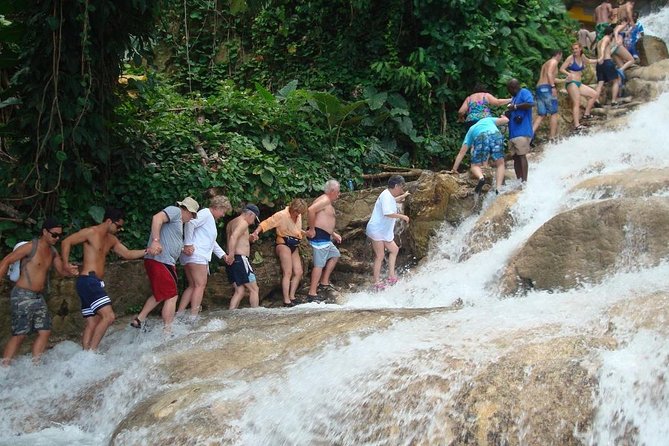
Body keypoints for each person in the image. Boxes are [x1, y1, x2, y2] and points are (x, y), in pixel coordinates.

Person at [61, 209, 146, 350]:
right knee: (109, 316)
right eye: (118, 226)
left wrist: (148, 251)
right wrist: (65, 264)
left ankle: (85, 354)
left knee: (93, 323)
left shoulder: (112, 240)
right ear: (108, 221)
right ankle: (92, 353)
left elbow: (127, 254)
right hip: (88, 280)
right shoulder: (90, 233)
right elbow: (66, 241)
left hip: (91, 282)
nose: (119, 229)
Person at [0, 218, 77, 366]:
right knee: (20, 335)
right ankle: (4, 368)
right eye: (54, 235)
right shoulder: (30, 247)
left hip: (38, 297)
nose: (57, 238)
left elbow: (61, 271)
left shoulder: (53, 252)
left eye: (59, 235)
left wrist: (71, 271)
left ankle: (35, 365)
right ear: (44, 232)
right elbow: (6, 260)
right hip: (22, 294)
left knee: (45, 330)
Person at [131, 197, 199, 330]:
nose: (191, 218)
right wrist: (156, 241)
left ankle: (139, 319)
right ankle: (167, 330)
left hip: (162, 260)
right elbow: (157, 218)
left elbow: (170, 240)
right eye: (192, 215)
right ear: (187, 210)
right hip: (161, 260)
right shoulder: (175, 211)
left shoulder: (178, 221)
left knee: (161, 293)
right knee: (172, 295)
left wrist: (182, 249)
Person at [177, 195, 232, 317]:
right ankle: (193, 316)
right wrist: (188, 244)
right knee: (200, 285)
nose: (223, 215)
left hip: (191, 255)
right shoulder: (206, 214)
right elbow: (190, 223)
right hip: (197, 255)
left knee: (192, 285)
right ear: (218, 207)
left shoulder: (208, 217)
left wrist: (223, 255)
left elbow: (212, 242)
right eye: (223, 211)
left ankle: (179, 314)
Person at [251, 198, 308, 307]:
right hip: (283, 244)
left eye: (300, 213)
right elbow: (266, 224)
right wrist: (255, 233)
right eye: (297, 212)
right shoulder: (281, 215)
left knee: (299, 272)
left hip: (294, 244)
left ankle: (292, 296)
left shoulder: (299, 216)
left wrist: (305, 233)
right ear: (292, 208)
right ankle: (286, 300)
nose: (298, 214)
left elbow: (295, 230)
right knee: (288, 272)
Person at [365, 176, 410, 291]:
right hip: (377, 230)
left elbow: (392, 201)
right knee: (379, 255)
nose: (402, 189)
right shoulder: (385, 196)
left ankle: (391, 277)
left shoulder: (388, 195)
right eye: (401, 187)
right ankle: (376, 282)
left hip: (382, 230)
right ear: (396, 186)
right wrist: (402, 216)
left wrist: (403, 196)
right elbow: (387, 213)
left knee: (394, 250)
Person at [450, 115, 510, 195]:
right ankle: (498, 188)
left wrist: (454, 169)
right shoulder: (488, 119)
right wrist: (503, 116)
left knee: (474, 166)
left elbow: (461, 153)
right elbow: (506, 120)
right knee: (500, 164)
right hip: (496, 135)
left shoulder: (471, 130)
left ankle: (481, 178)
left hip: (481, 136)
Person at [305, 179, 342, 302]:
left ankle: (324, 282)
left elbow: (323, 220)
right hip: (319, 237)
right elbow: (311, 210)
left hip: (326, 237)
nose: (339, 194)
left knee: (335, 254)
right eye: (338, 191)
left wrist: (333, 233)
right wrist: (311, 229)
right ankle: (312, 293)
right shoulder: (325, 200)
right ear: (332, 191)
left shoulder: (326, 201)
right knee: (319, 265)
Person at [225, 204, 261, 310]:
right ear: (250, 214)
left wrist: (250, 238)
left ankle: (231, 314)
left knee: (239, 291)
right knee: (254, 289)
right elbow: (234, 236)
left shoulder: (232, 222)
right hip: (240, 259)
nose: (253, 222)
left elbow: (237, 237)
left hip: (233, 260)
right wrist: (231, 254)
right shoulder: (243, 223)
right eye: (254, 218)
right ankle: (256, 314)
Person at [560, 42, 599, 131]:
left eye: (576, 48)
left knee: (594, 94)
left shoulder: (582, 56)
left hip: (579, 83)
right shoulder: (570, 58)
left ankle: (586, 114)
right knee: (576, 102)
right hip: (572, 83)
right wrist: (568, 73)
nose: (574, 51)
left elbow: (588, 61)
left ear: (580, 48)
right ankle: (577, 125)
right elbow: (561, 68)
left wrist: (598, 60)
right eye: (573, 49)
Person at [506, 79, 534, 183]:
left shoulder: (524, 92)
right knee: (515, 157)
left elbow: (531, 103)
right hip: (513, 133)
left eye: (509, 89)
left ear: (513, 87)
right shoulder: (513, 98)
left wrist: (515, 107)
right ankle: (519, 180)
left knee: (522, 155)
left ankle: (525, 182)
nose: (508, 92)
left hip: (522, 131)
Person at [532, 50, 562, 141]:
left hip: (539, 88)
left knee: (542, 114)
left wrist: (565, 80)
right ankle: (552, 137)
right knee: (554, 112)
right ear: (558, 54)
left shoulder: (546, 63)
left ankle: (529, 136)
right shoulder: (554, 61)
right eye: (561, 56)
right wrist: (553, 87)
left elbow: (551, 77)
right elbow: (549, 74)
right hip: (546, 88)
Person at [595, 25, 622, 106]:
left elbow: (607, 50)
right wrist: (603, 56)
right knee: (616, 81)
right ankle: (613, 101)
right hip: (606, 62)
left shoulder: (599, 41)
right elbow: (603, 47)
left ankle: (596, 99)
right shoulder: (606, 39)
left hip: (600, 64)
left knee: (600, 82)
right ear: (611, 33)